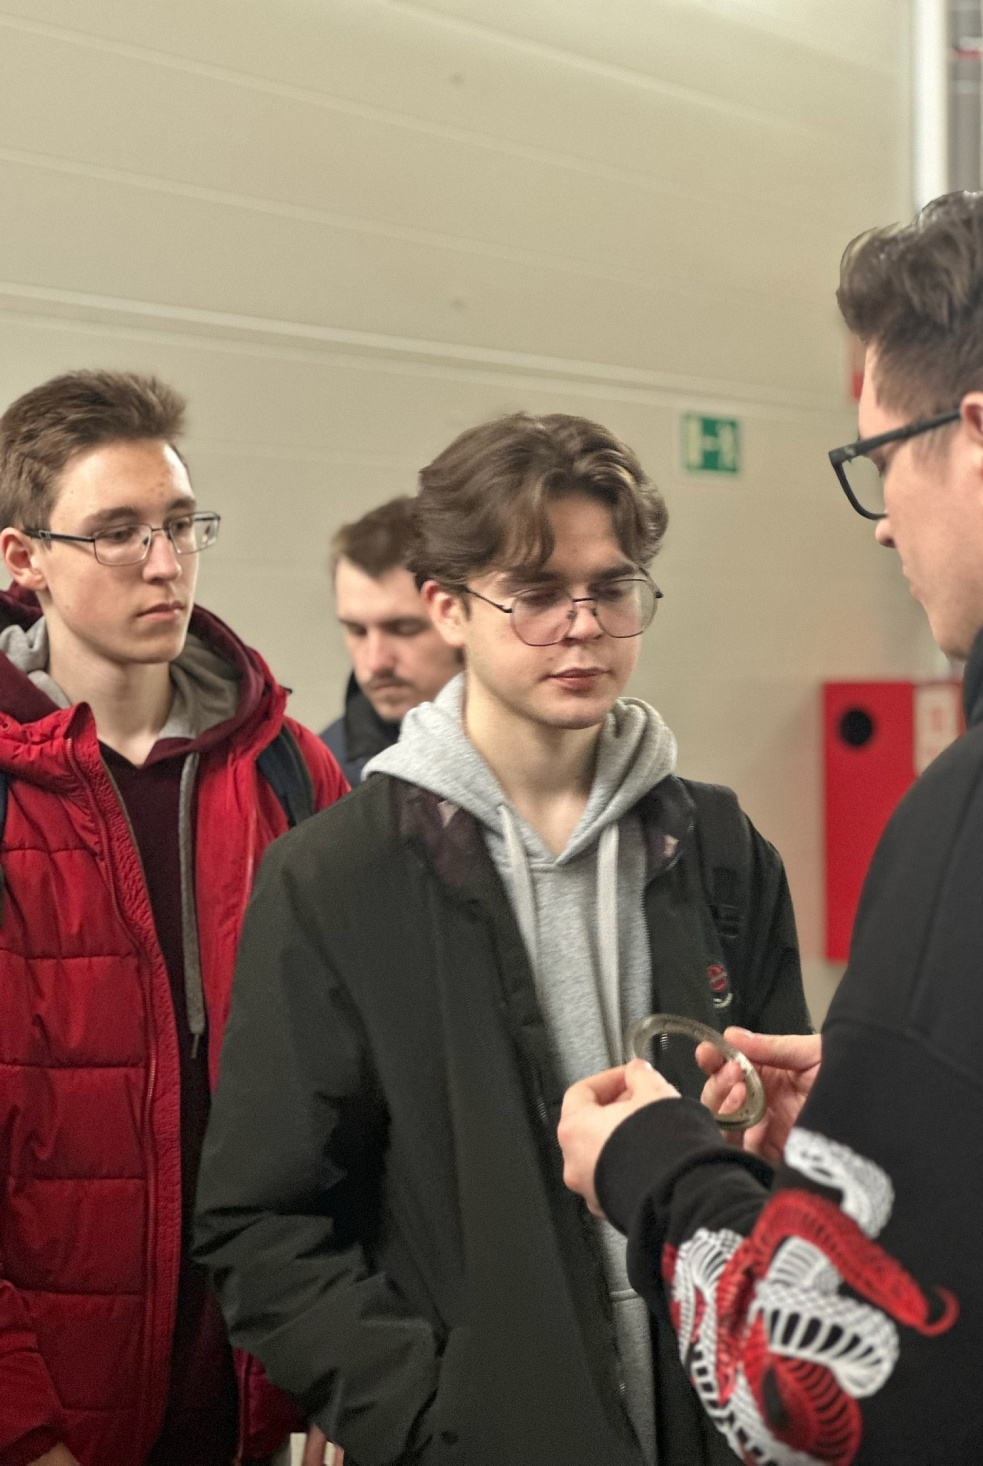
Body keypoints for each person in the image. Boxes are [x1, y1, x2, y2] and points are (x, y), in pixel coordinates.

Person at [557, 166, 983, 1466]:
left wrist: (661, 1166)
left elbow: (821, 1401)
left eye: (879, 461)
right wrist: (903, 1117)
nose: (880, 529)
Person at [193, 412, 812, 1466]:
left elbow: (781, 1142)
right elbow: (263, 1225)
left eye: (611, 588)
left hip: (725, 1427)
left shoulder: (718, 846)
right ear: (448, 606)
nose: (582, 626)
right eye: (534, 593)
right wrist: (433, 1418)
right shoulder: (335, 876)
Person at [0, 371, 347, 1466]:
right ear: (23, 559)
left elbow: (367, 1095)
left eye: (181, 524)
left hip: (258, 1390)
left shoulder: (292, 771)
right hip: (55, 1404)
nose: (165, 563)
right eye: (117, 533)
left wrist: (349, 1369)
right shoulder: (12, 789)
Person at [320, 497, 463, 785]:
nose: (376, 662)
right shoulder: (321, 775)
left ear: (458, 615)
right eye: (357, 630)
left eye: (404, 628)